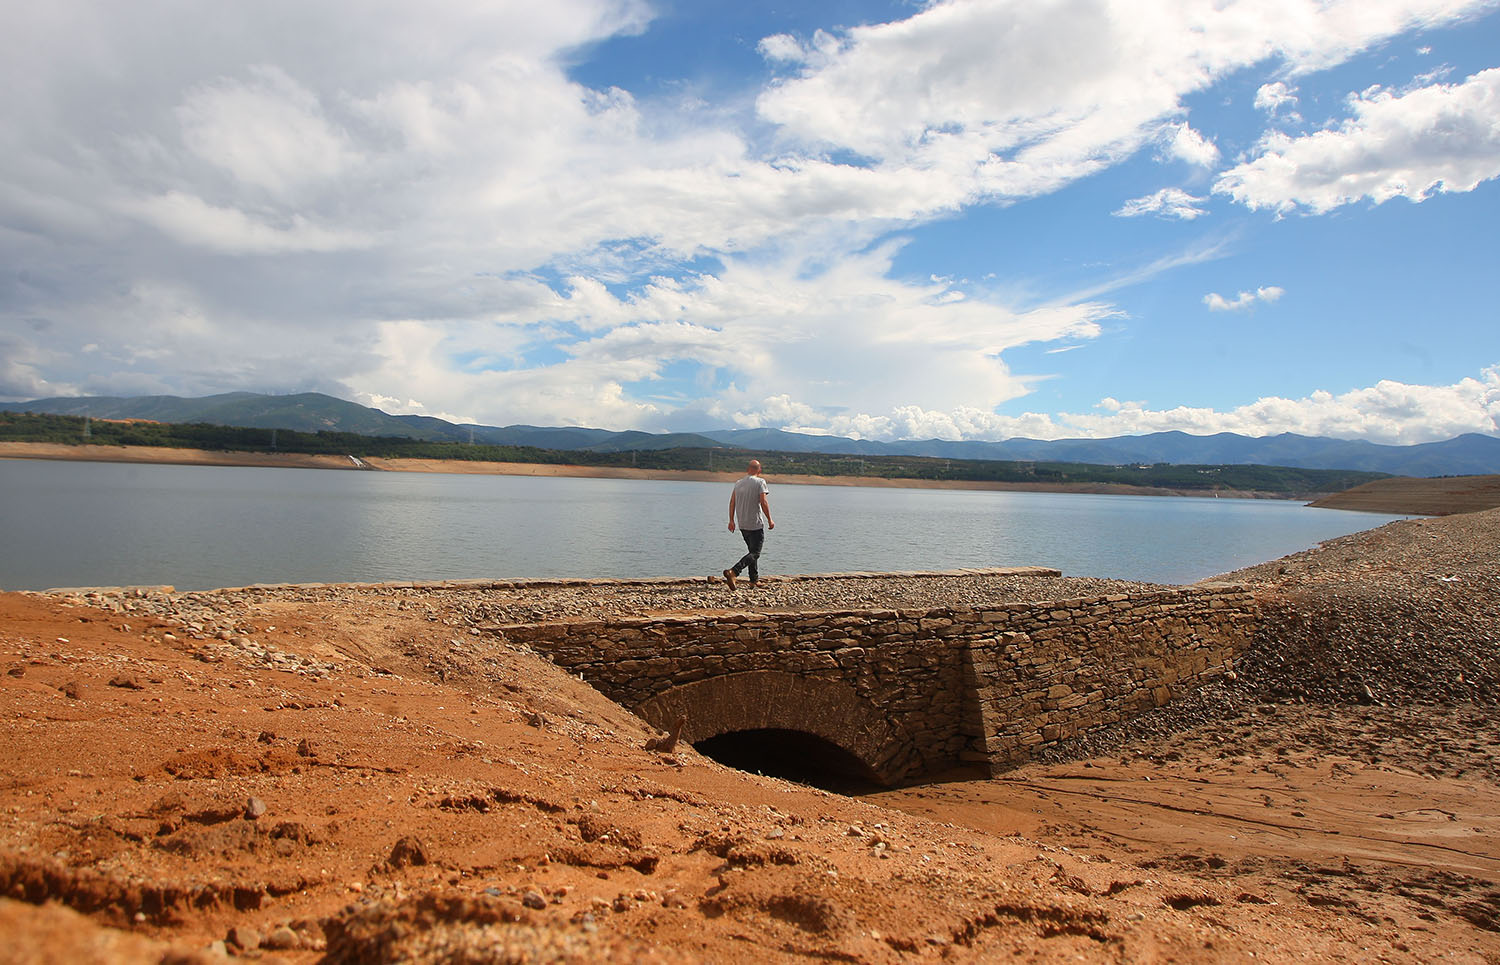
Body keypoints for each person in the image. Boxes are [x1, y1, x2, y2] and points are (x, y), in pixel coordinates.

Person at [723, 459, 774, 590]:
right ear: (759, 470)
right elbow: (763, 502)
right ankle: (734, 571)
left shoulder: (738, 483)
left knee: (751, 553)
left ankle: (753, 580)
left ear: (748, 469)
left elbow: (732, 502)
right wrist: (770, 519)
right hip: (755, 523)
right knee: (756, 553)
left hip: (742, 524)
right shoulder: (760, 482)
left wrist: (731, 520)